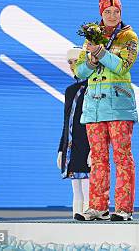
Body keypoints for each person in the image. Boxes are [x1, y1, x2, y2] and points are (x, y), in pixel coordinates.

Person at [73, 0, 139, 222]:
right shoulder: (91, 38)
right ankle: (97, 207)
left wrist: (99, 52)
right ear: (101, 14)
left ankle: (123, 208)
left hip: (119, 106)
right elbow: (79, 72)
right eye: (107, 12)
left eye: (116, 12)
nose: (112, 16)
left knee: (122, 157)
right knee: (98, 158)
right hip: (94, 107)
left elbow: (122, 66)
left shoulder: (129, 36)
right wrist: (90, 58)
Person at [58, 47, 91, 219]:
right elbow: (66, 122)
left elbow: (97, 122)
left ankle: (88, 220)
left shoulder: (94, 87)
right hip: (71, 147)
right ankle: (75, 223)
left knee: (88, 187)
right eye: (69, 62)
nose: (72, 66)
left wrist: (95, 148)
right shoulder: (70, 90)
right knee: (76, 189)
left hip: (87, 145)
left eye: (75, 61)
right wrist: (61, 149)